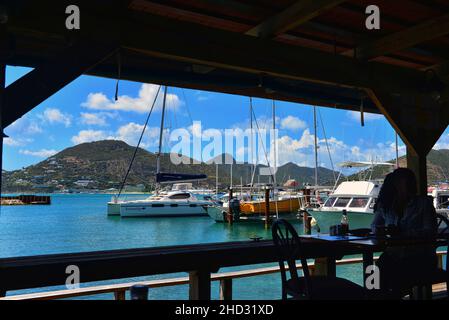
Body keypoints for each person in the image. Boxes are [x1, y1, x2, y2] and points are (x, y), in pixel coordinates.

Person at [371, 168, 438, 298]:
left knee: (388, 274)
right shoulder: (387, 205)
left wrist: (403, 232)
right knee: (372, 272)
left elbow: (430, 231)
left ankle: (390, 295)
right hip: (393, 257)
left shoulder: (423, 203)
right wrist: (379, 229)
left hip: (420, 258)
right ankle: (375, 296)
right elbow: (374, 224)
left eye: (403, 182)